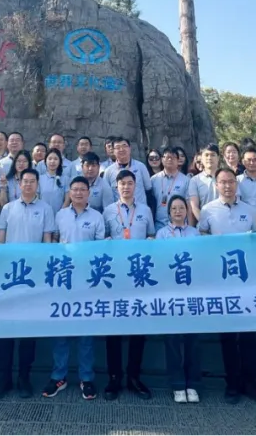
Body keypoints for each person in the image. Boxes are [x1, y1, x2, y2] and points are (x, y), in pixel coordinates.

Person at [197, 167, 256, 406]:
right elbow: (201, 238)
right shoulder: (207, 210)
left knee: (249, 335)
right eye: (222, 182)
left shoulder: (249, 210)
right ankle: (232, 383)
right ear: (216, 185)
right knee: (227, 335)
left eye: (230, 182)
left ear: (236, 184)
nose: (227, 186)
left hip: (246, 281)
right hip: (221, 281)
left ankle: (251, 382)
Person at [0, 169, 55, 400]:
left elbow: (47, 242)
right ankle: (4, 377)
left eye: (32, 181)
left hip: (33, 276)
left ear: (38, 184)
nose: (28, 184)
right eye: (25, 181)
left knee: (28, 330)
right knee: (4, 329)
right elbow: (1, 240)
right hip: (9, 277)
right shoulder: (8, 208)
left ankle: (24, 377)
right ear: (19, 184)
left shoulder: (46, 209)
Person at [43, 177, 104, 401]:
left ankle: (86, 378)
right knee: (61, 331)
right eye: (75, 189)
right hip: (63, 279)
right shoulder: (60, 215)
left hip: (87, 281)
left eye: (82, 190)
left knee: (86, 333)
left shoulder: (97, 217)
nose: (78, 193)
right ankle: (58, 376)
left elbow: (100, 249)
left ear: (89, 193)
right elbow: (53, 242)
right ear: (69, 192)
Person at [101, 170, 155, 401]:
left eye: (130, 183)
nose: (126, 187)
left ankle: (134, 376)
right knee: (113, 329)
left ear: (136, 186)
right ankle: (114, 377)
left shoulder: (145, 210)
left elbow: (151, 236)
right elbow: (102, 241)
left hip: (139, 276)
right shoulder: (107, 211)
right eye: (122, 183)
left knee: (138, 328)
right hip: (115, 276)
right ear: (116, 186)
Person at [155, 195, 200, 404]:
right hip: (170, 293)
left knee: (193, 340)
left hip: (192, 292)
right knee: (172, 340)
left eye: (181, 208)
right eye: (174, 208)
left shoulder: (195, 233)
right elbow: (159, 260)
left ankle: (193, 383)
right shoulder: (162, 234)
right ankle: (177, 384)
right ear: (169, 212)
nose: (178, 211)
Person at [101, 137, 151, 206]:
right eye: (118, 147)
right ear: (113, 151)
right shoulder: (108, 171)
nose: (121, 149)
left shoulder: (141, 167)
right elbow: (107, 196)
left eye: (124, 146)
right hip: (119, 210)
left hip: (139, 209)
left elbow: (148, 189)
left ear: (130, 148)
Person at [149, 146, 190, 226]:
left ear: (178, 161)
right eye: (167, 157)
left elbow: (188, 205)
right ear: (162, 159)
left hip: (179, 224)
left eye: (173, 157)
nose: (170, 159)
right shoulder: (154, 179)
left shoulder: (186, 180)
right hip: (158, 224)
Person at [187, 143, 220, 223]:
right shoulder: (195, 180)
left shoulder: (226, 177)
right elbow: (194, 207)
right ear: (201, 158)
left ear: (218, 158)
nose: (209, 158)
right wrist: (206, 224)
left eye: (213, 155)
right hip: (204, 226)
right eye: (206, 155)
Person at [37, 148, 67, 217]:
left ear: (60, 161)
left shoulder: (65, 179)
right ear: (45, 161)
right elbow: (37, 198)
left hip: (60, 216)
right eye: (50, 159)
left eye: (55, 159)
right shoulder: (39, 179)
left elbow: (67, 200)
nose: (52, 161)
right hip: (42, 215)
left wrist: (60, 214)